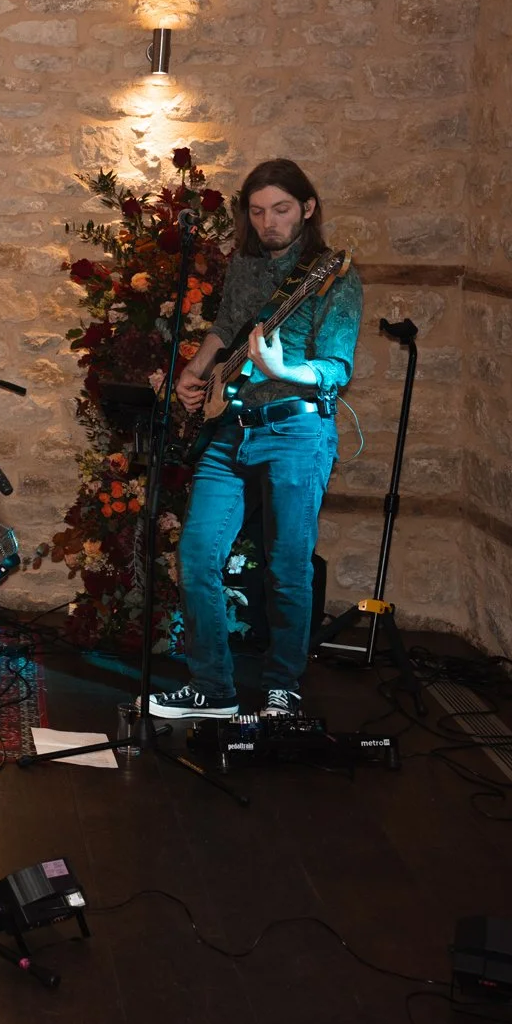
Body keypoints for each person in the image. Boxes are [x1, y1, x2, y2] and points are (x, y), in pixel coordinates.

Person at [152, 158, 362, 721]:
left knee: (287, 566)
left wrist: (283, 370)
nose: (269, 222)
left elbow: (336, 367)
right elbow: (227, 325)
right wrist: (195, 373)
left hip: (297, 430)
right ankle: (212, 688)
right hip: (232, 427)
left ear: (308, 209)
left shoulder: (334, 275)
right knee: (197, 554)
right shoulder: (245, 265)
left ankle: (282, 687)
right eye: (258, 211)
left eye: (281, 209)